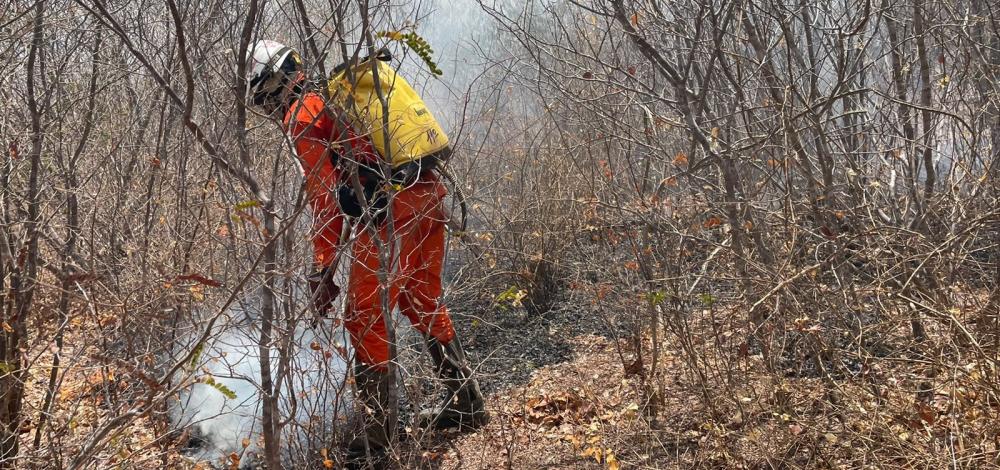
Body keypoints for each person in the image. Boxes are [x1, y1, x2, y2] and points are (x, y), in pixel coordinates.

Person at [245, 40, 487, 467]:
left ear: (277, 84)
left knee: (364, 313)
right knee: (422, 299)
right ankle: (467, 401)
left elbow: (325, 201)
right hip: (429, 194)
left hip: (394, 214)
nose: (268, 108)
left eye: (265, 96)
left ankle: (378, 436)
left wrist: (322, 269)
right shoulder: (337, 95)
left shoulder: (304, 116)